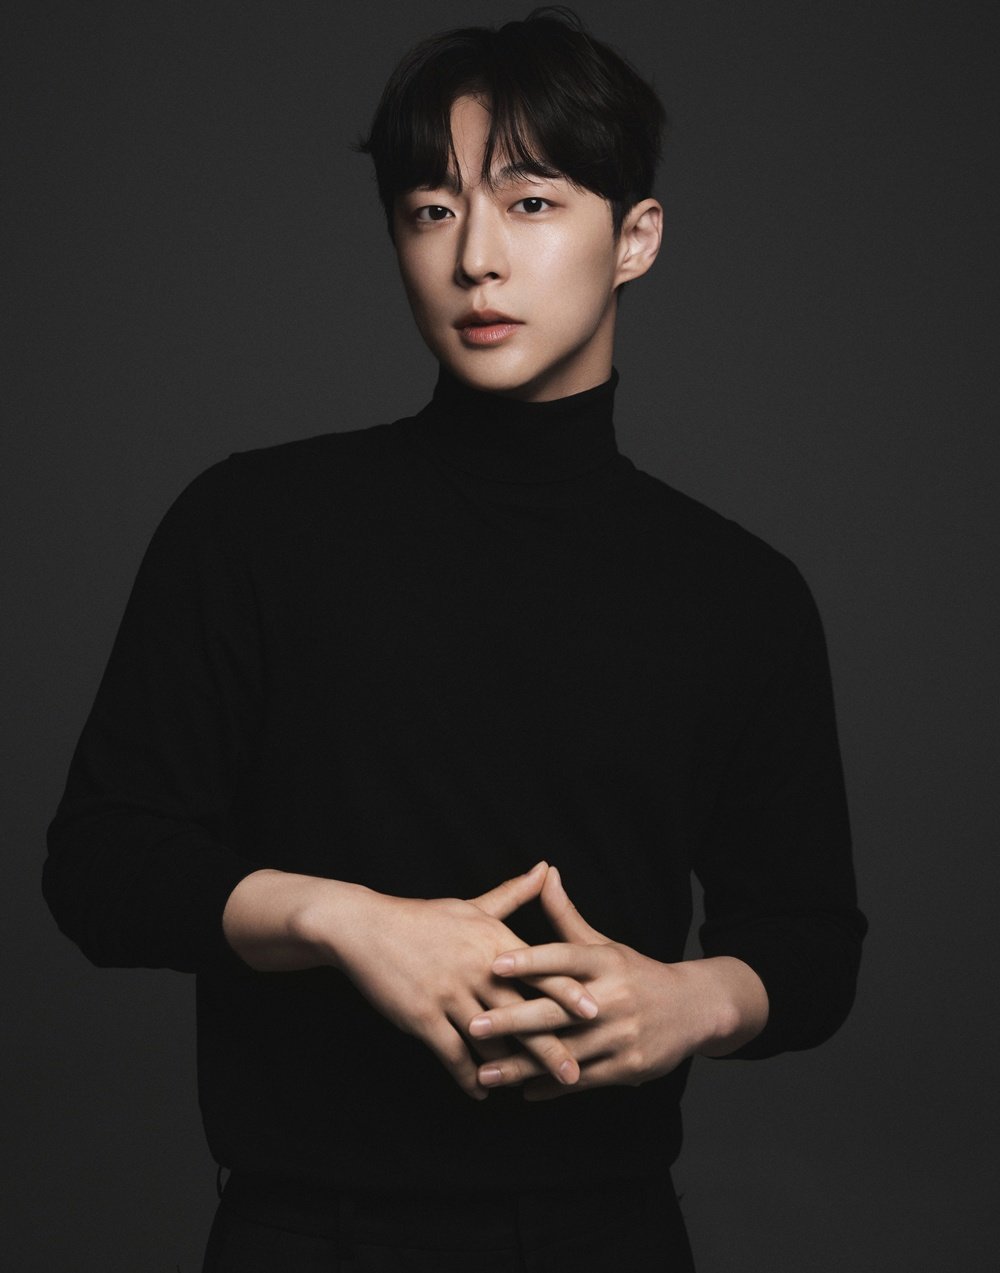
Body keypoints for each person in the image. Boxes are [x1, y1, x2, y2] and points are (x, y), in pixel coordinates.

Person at [42, 8, 866, 1270]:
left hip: (605, 1236)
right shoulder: (252, 524)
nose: (476, 257)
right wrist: (343, 921)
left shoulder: (739, 592)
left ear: (634, 237)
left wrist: (692, 999)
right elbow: (102, 863)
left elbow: (810, 945)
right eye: (431, 210)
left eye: (530, 203)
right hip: (302, 1234)